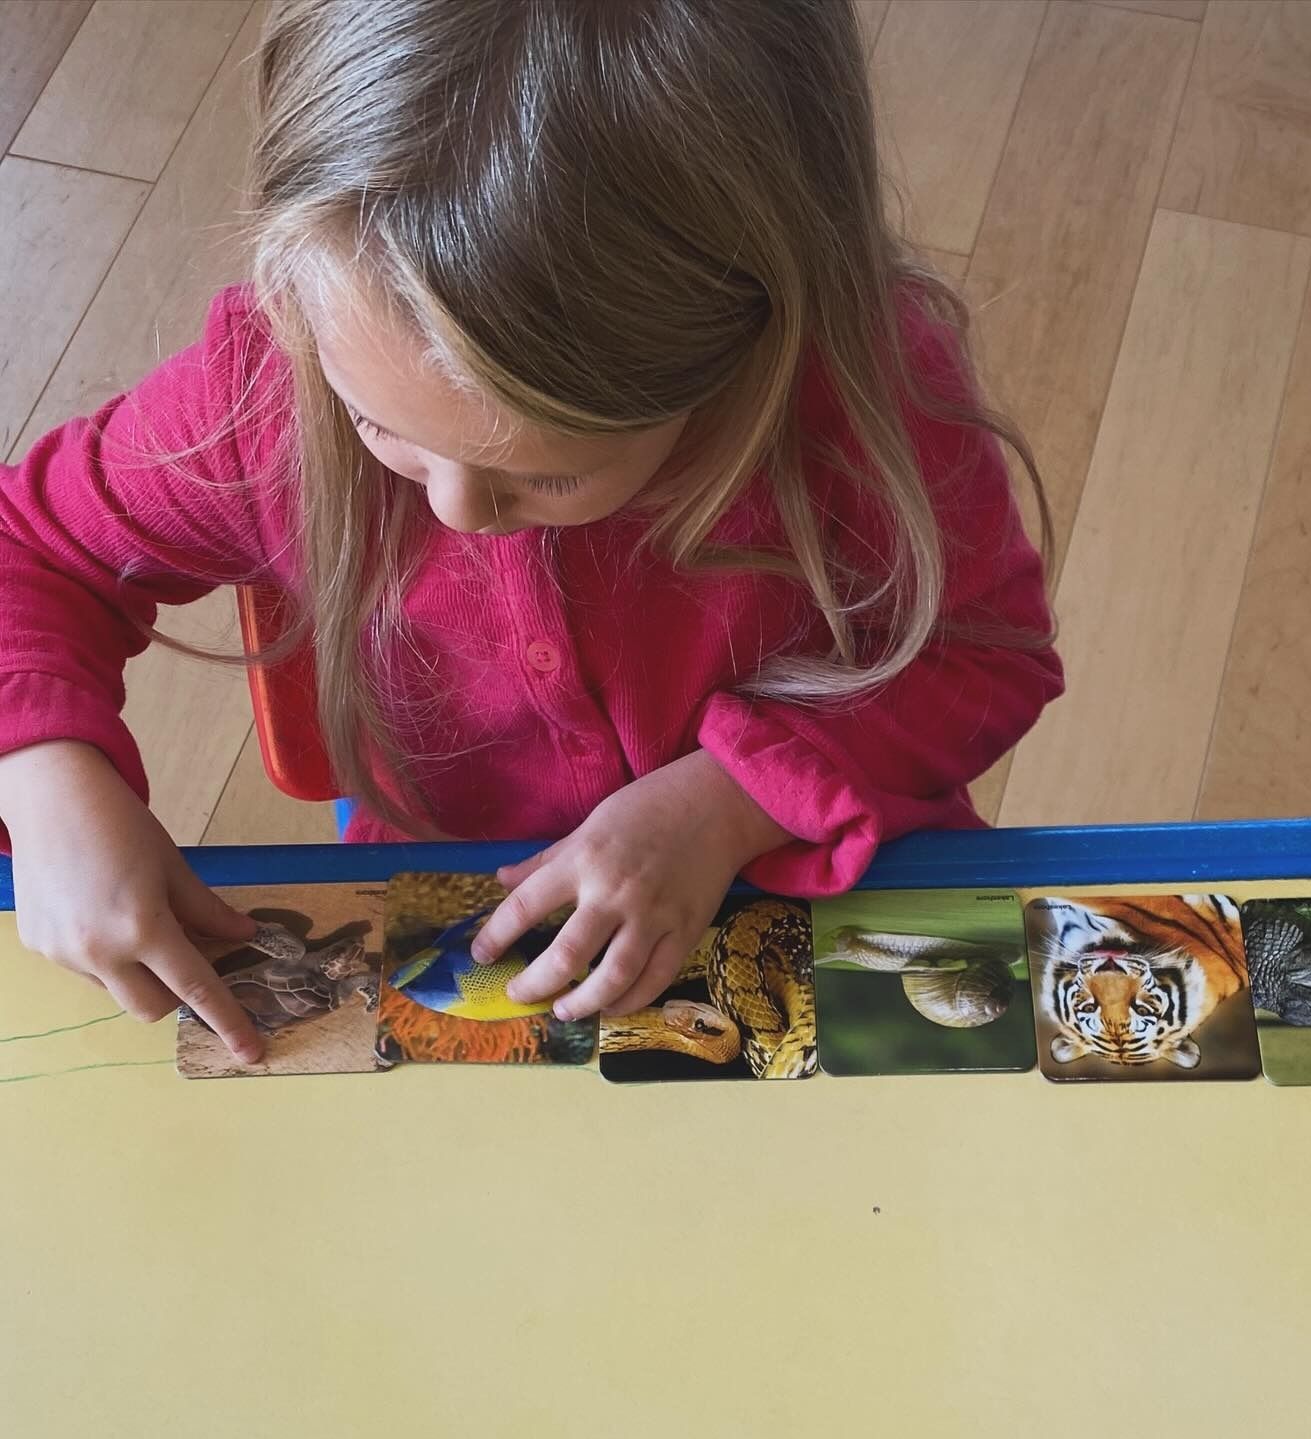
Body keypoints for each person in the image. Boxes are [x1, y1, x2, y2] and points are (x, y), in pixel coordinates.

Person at [0, 0, 1061, 1065]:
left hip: (829, 876)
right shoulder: (262, 393)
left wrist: (730, 800)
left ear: (746, 348)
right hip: (453, 927)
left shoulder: (865, 392)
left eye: (549, 472)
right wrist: (43, 776)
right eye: (380, 424)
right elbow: (27, 547)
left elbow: (984, 654)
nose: (456, 511)